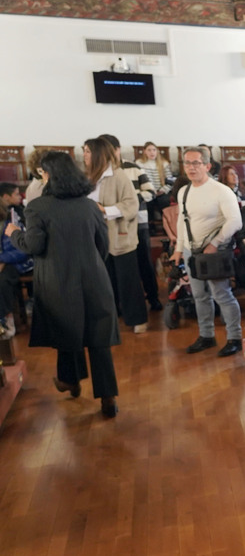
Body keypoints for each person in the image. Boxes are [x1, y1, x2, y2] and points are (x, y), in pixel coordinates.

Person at [5, 152, 121, 417]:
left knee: (67, 331)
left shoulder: (37, 207)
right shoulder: (89, 205)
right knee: (98, 338)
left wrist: (14, 235)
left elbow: (33, 246)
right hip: (95, 279)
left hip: (58, 281)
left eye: (42, 173)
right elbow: (102, 246)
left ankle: (71, 381)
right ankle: (108, 398)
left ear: (48, 175)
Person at [170, 146, 243, 357]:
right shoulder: (184, 191)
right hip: (190, 251)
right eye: (187, 163)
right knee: (199, 296)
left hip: (214, 252)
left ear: (207, 166)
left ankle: (234, 337)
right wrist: (178, 249)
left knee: (222, 294)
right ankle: (207, 335)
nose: (191, 168)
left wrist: (215, 243)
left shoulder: (221, 191)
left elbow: (235, 222)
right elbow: (183, 223)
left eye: (196, 163)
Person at [84, 137, 147, 334]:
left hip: (119, 236)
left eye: (87, 151)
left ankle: (137, 319)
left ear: (98, 154)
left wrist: (105, 210)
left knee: (127, 280)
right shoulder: (88, 178)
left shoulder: (119, 176)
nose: (84, 155)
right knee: (104, 281)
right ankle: (112, 317)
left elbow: (131, 205)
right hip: (96, 237)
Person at [101, 134, 161, 313]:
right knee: (116, 266)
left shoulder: (133, 168)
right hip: (112, 225)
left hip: (138, 221)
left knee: (144, 261)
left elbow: (150, 192)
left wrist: (130, 202)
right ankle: (119, 303)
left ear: (117, 150)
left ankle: (153, 297)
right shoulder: (102, 172)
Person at [0, 183, 33, 339]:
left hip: (16, 262)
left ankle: (5, 320)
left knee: (3, 280)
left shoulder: (14, 217)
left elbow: (22, 250)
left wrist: (2, 260)